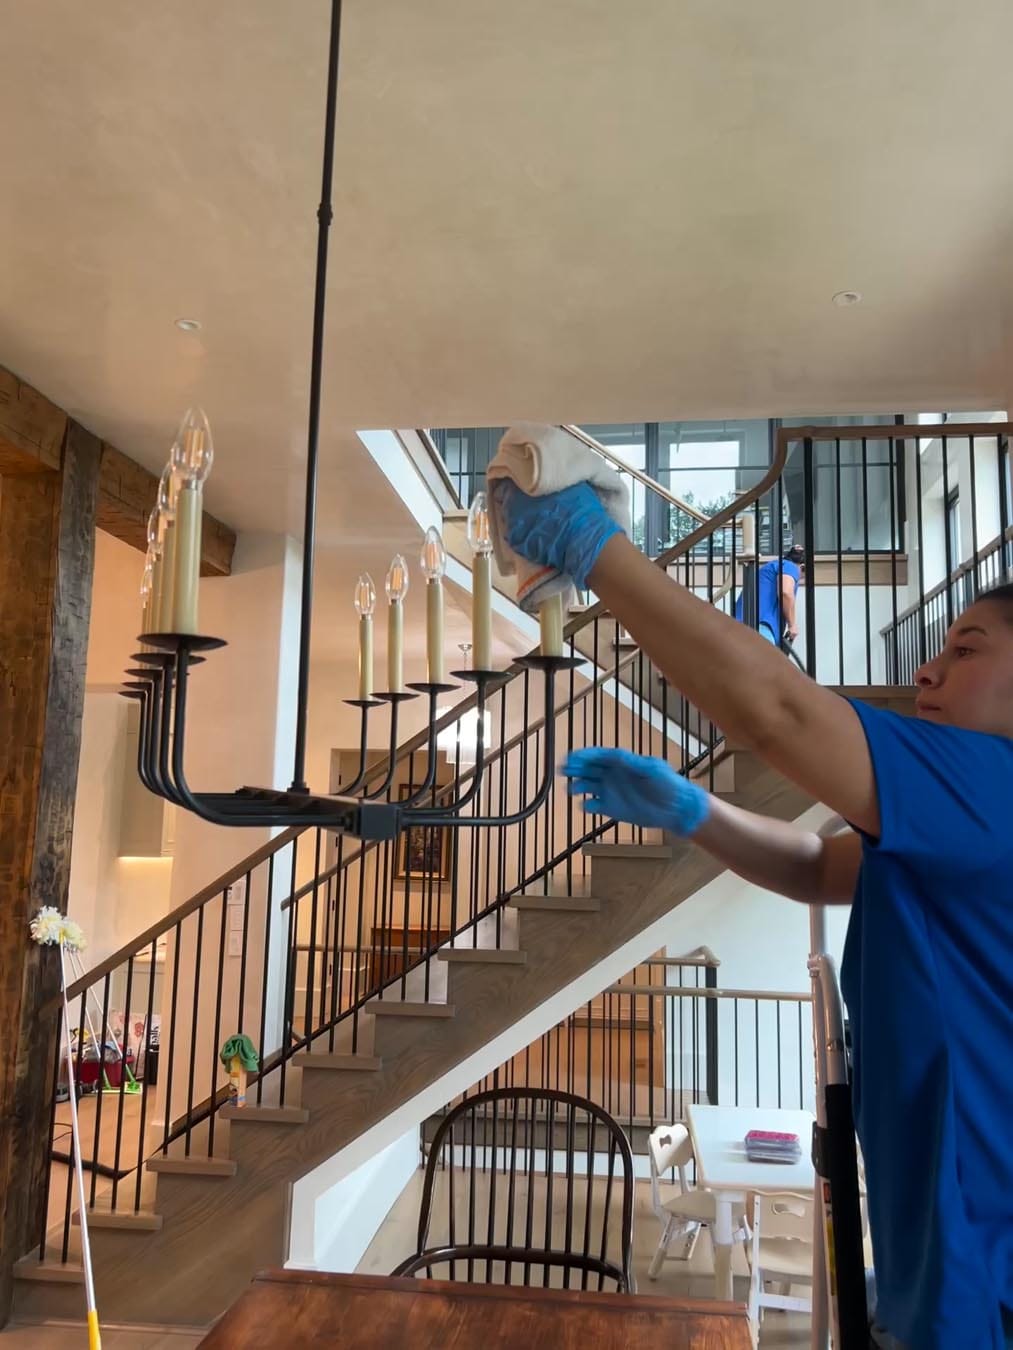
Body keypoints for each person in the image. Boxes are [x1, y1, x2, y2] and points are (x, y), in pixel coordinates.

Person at [497, 479, 1013, 1350]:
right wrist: (695, 812)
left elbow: (775, 707)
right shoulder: (963, 824)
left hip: (984, 1268)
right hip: (940, 1247)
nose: (927, 668)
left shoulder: (994, 787)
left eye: (966, 649)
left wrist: (599, 554)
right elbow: (817, 864)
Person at [734, 543, 805, 645]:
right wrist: (792, 625)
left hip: (741, 628)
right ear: (802, 567)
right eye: (801, 576)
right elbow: (786, 592)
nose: (798, 580)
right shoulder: (790, 566)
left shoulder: (771, 568)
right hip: (760, 627)